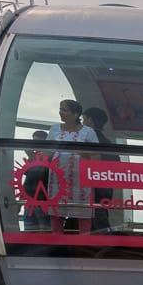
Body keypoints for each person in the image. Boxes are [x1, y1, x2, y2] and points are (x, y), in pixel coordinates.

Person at [47, 99, 99, 231]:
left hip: (81, 181)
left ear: (75, 114)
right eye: (60, 109)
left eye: (64, 110)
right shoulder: (54, 129)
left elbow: (97, 156)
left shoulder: (88, 132)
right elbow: (47, 152)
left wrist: (81, 153)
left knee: (83, 215)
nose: (60, 112)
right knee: (56, 216)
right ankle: (57, 247)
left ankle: (83, 247)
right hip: (57, 180)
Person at [81, 106, 115, 232]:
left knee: (92, 223)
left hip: (91, 189)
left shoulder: (87, 140)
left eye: (83, 119)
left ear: (90, 120)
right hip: (105, 189)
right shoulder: (108, 143)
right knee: (100, 219)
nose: (82, 123)